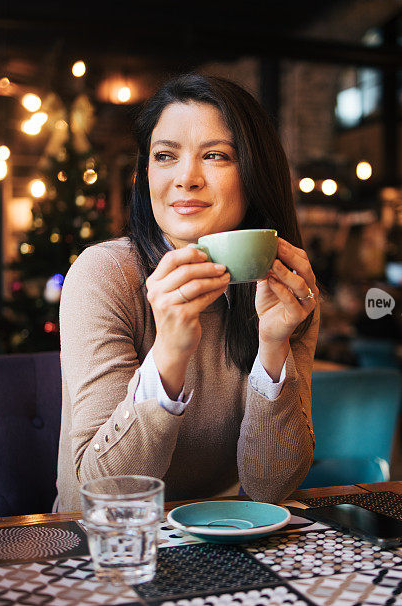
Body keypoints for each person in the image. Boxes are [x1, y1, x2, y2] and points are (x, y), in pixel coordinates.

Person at [55, 74, 320, 511]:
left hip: (221, 535)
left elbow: (270, 489)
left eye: (215, 156)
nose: (186, 178)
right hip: (101, 545)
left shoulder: (288, 288)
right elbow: (100, 496)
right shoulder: (105, 275)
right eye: (165, 156)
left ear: (254, 174)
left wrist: (274, 345)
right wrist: (169, 355)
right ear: (144, 174)